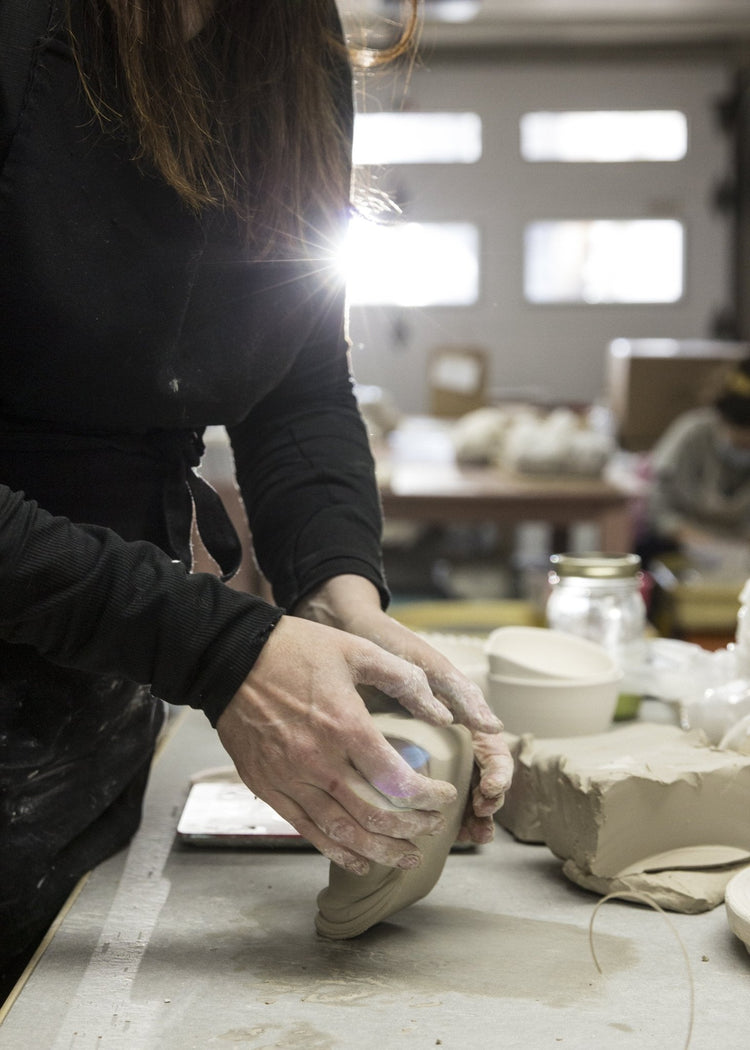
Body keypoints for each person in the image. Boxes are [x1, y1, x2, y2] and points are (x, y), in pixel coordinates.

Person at [0, 0, 513, 994]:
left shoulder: (286, 32)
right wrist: (221, 649)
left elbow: (299, 377)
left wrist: (339, 590)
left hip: (102, 687)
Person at [639, 358, 750, 566]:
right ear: (723, 417)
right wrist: (698, 540)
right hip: (681, 545)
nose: (745, 445)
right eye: (740, 439)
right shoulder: (691, 434)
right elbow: (657, 506)